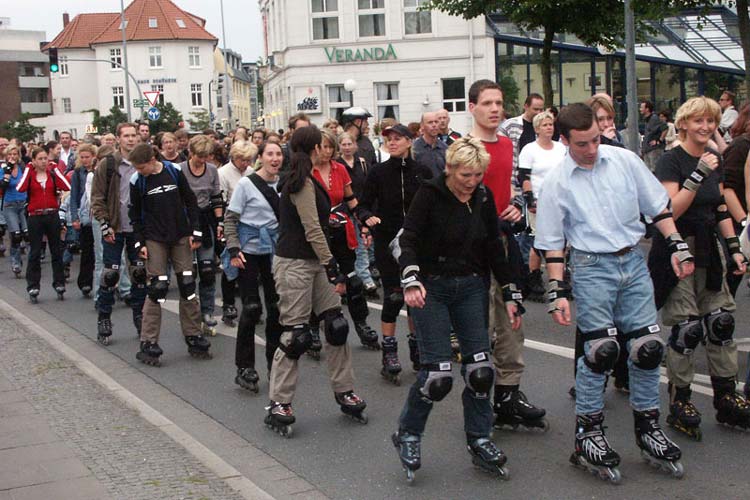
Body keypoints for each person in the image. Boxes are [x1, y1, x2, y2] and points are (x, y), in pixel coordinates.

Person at [536, 102, 692, 483]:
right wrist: (557, 290)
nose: (592, 148)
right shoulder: (557, 181)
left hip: (632, 260)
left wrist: (676, 245)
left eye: (595, 139)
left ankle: (648, 427)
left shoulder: (623, 160)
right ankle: (588, 433)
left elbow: (658, 208)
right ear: (565, 140)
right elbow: (553, 243)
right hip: (591, 267)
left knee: (647, 348)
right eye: (583, 143)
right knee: (600, 351)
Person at [392, 137, 522, 482]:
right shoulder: (431, 195)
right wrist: (411, 278)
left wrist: (510, 292)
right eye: (466, 174)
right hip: (431, 287)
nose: (472, 181)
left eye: (478, 174)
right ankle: (407, 433)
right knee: (438, 376)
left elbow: (495, 247)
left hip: (470, 287)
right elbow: (408, 240)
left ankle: (479, 438)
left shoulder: (482, 197)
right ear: (449, 169)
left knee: (481, 371)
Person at [651, 96, 750, 440]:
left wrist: (735, 248)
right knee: (687, 329)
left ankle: (726, 396)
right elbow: (669, 211)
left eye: (710, 121)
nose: (705, 127)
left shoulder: (715, 159)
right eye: (698, 122)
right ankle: (681, 400)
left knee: (721, 322)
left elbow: (720, 206)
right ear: (682, 125)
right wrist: (697, 174)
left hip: (712, 248)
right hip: (679, 248)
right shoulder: (670, 161)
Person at [265, 126, 367, 436]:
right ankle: (278, 402)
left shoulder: (311, 179)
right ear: (313, 149)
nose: (327, 149)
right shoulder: (301, 183)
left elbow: (319, 221)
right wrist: (332, 265)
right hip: (296, 263)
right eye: (322, 145)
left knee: (336, 325)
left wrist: (333, 220)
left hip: (316, 261)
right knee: (296, 336)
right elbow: (311, 230)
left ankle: (344, 389)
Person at [466, 80, 546, 431]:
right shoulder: (463, 147)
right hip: (472, 250)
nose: (495, 109)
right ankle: (480, 397)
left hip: (504, 243)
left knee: (512, 319)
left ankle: (509, 395)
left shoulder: (506, 145)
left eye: (499, 102)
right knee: (480, 326)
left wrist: (515, 204)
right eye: (487, 103)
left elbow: (511, 187)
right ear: (472, 107)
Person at [358, 124, 434, 383]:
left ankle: (417, 347)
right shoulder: (379, 172)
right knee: (393, 297)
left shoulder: (422, 172)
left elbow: (433, 206)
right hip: (386, 241)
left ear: (409, 141)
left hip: (416, 245)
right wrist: (368, 217)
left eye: (397, 138)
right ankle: (389, 350)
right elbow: (363, 204)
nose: (392, 142)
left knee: (416, 298)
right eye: (388, 139)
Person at [127, 143, 211, 365]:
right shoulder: (138, 181)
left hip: (180, 234)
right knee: (157, 287)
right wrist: (139, 243)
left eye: (141, 167)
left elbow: (190, 201)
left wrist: (196, 230)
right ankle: (148, 340)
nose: (138, 171)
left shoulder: (174, 171)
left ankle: (193, 334)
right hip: (154, 238)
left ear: (151, 160)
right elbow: (134, 214)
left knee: (187, 285)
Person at [310, 129, 379, 354]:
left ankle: (361, 324)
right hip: (319, 233)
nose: (327, 151)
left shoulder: (339, 169)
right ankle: (312, 328)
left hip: (342, 230)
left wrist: (364, 222)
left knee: (353, 281)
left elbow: (351, 200)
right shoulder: (307, 172)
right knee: (321, 282)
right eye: (322, 147)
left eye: (330, 147)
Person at [224, 141, 283, 392]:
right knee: (251, 308)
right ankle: (245, 366)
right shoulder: (246, 184)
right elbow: (231, 219)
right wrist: (234, 249)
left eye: (279, 154)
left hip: (274, 251)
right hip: (248, 250)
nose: (275, 158)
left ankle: (275, 363)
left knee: (276, 309)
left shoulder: (284, 184)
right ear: (261, 158)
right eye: (270, 154)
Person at [90, 122, 147, 345]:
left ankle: (140, 316)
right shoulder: (108, 164)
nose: (131, 139)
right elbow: (97, 197)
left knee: (140, 274)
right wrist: (105, 225)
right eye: (127, 136)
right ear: (118, 138)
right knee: (110, 275)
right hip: (115, 227)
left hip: (137, 230)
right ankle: (104, 318)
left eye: (134, 136)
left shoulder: (144, 161)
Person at [517, 110, 566, 302]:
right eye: (545, 125)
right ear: (537, 128)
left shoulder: (560, 148)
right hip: (538, 200)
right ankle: (534, 279)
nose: (549, 128)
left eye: (551, 124)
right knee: (538, 241)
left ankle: (561, 278)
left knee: (561, 241)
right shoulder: (530, 149)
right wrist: (530, 199)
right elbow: (524, 176)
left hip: (559, 200)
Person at [181, 135, 224, 337]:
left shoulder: (212, 170)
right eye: (199, 156)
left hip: (206, 219)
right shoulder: (180, 169)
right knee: (189, 273)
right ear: (191, 153)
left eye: (206, 156)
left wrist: (220, 223)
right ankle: (192, 314)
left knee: (207, 270)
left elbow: (216, 198)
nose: (202, 160)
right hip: (186, 221)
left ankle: (207, 312)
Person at [16, 147, 71, 302]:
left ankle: (59, 282)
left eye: (45, 158)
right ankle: (33, 285)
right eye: (39, 159)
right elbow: (20, 188)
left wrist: (55, 170)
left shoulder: (52, 173)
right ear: (33, 161)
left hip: (52, 215)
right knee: (34, 252)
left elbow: (67, 186)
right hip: (35, 216)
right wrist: (28, 169)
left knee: (56, 250)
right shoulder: (30, 175)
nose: (43, 162)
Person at [218, 140, 258, 326]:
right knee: (230, 264)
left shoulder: (251, 173)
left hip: (249, 223)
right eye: (242, 159)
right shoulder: (223, 173)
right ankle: (228, 304)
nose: (246, 163)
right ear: (234, 157)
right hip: (231, 221)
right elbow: (221, 201)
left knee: (249, 265)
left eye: (249, 159)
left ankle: (252, 304)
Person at [337, 132, 378, 297]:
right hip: (344, 212)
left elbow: (368, 186)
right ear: (339, 147)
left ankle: (365, 278)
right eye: (343, 144)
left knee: (362, 245)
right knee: (346, 247)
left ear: (355, 145)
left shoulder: (362, 163)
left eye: (349, 144)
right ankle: (347, 279)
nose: (347, 148)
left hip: (360, 209)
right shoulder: (337, 165)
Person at [69, 144, 97, 296]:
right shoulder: (78, 173)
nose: (85, 160)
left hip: (97, 212)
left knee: (101, 251)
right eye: (83, 157)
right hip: (84, 213)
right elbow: (74, 196)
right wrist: (74, 216)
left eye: (88, 157)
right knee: (87, 250)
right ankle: (85, 282)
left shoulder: (98, 170)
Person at [500, 93, 545, 183]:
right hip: (513, 178)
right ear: (526, 106)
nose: (539, 113)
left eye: (541, 109)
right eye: (535, 109)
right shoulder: (511, 125)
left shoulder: (542, 128)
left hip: (534, 178)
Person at [1, 144, 28, 277]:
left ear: (18, 156)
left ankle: (27, 260)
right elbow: (3, 186)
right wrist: (7, 172)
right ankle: (15, 261)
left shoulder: (23, 168)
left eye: (14, 154)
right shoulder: (4, 169)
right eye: (9, 155)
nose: (12, 157)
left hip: (23, 203)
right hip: (10, 204)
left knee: (26, 233)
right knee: (16, 234)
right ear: (6, 157)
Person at [412, 111, 448, 177]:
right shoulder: (414, 149)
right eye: (430, 122)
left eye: (436, 122)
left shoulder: (445, 148)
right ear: (422, 126)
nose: (434, 125)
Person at [641, 101, 665, 171]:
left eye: (642, 107)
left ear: (647, 109)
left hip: (654, 149)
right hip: (647, 149)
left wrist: (659, 140)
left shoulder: (654, 118)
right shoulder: (647, 119)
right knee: (648, 170)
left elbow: (665, 128)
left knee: (655, 169)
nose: (640, 109)